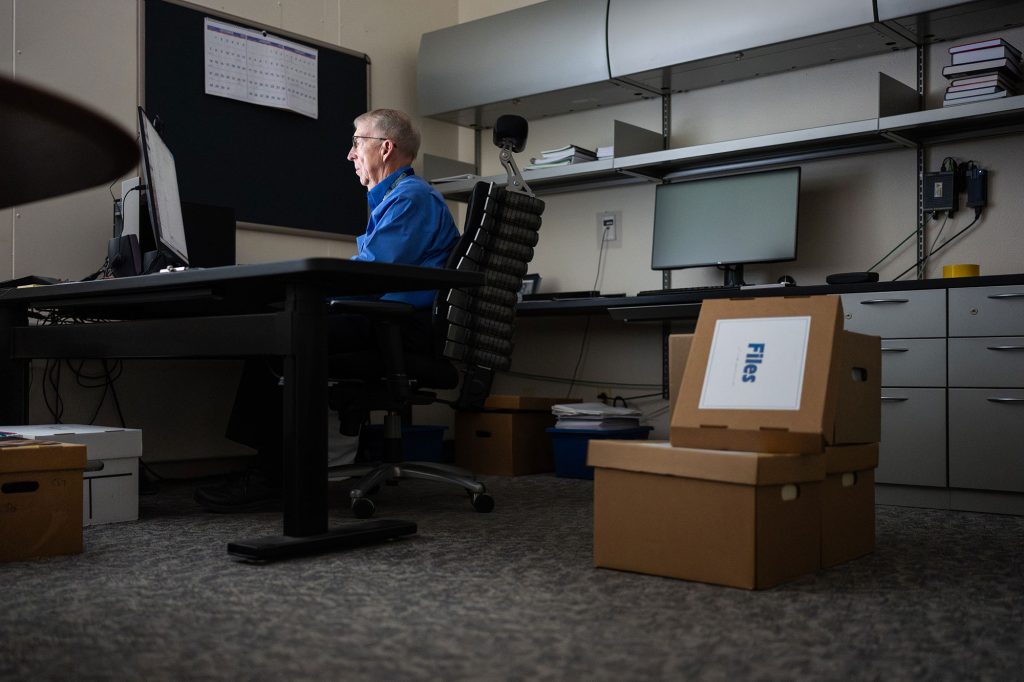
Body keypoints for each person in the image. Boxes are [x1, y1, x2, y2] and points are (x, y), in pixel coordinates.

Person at [194, 109, 460, 512]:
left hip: (401, 325)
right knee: (283, 324)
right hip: (393, 320)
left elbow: (371, 274)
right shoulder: (400, 198)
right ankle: (283, 467)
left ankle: (271, 475)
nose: (350, 154)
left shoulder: (411, 198)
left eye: (357, 143)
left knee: (282, 332)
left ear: (385, 148)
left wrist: (308, 287)